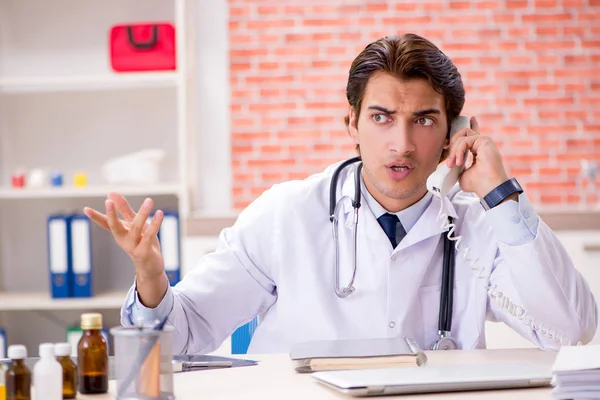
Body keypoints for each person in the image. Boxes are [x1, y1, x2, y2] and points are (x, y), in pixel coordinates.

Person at [84, 33, 597, 355]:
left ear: (452, 133)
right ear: (351, 123)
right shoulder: (286, 214)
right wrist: (151, 277)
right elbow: (184, 334)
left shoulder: (478, 226)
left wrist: (501, 195)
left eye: (423, 120)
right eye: (381, 118)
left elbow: (570, 331)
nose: (401, 144)